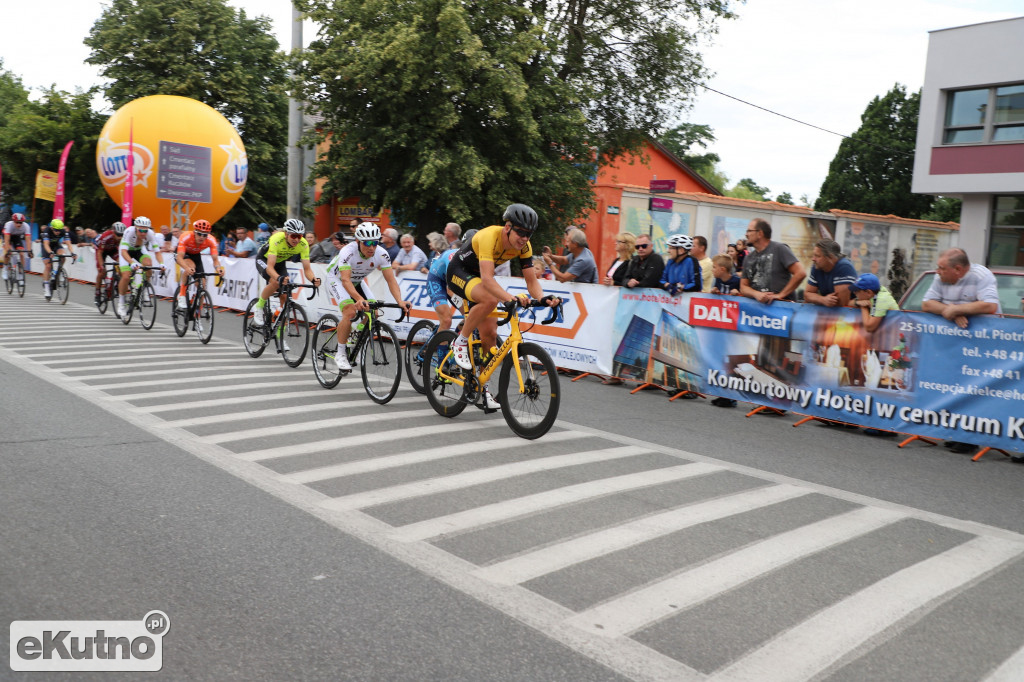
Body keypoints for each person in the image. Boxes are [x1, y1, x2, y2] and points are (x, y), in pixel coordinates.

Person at [445, 203, 561, 408]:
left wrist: (543, 299)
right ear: (508, 227)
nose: (525, 238)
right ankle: (460, 341)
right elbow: (489, 280)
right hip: (459, 271)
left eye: (529, 234)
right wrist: (509, 298)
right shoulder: (490, 236)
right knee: (490, 299)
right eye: (521, 232)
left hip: (479, 278)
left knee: (489, 336)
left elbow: (531, 281)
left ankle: (484, 389)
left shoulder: (525, 247)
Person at [920, 248, 1001, 455]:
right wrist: (952, 311)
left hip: (983, 345)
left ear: (957, 269)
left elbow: (990, 306)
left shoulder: (981, 276)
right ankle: (955, 431)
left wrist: (956, 309)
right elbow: (927, 303)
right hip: (955, 342)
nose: (937, 271)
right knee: (954, 384)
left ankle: (970, 438)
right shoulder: (942, 277)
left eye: (942, 268)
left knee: (974, 388)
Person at [325, 222, 412, 371]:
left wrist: (400, 301)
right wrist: (359, 299)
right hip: (337, 279)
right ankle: (340, 353)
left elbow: (391, 280)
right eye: (368, 243)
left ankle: (356, 335)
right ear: (358, 241)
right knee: (350, 311)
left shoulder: (382, 254)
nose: (372, 247)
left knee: (374, 312)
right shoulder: (348, 251)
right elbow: (345, 280)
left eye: (375, 243)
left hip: (357, 281)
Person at [252, 219, 321, 327]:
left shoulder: (303, 244)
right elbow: (270, 268)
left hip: (280, 263)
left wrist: (314, 279)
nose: (297, 239)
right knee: (275, 282)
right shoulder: (276, 239)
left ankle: (281, 339)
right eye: (294, 236)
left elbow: (307, 269)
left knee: (285, 300)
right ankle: (259, 306)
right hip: (264, 260)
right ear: (286, 234)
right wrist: (278, 278)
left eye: (300, 236)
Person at [739, 219, 806, 304]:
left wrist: (780, 295)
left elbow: (800, 273)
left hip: (783, 310)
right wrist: (756, 294)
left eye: (749, 231)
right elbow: (743, 286)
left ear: (760, 233)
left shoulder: (780, 249)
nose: (746, 234)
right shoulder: (748, 258)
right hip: (759, 313)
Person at [425, 229, 476, 334]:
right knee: (447, 320)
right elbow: (450, 289)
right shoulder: (453, 256)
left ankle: (456, 338)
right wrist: (465, 311)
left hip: (454, 282)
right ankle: (441, 349)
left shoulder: (479, 259)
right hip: (437, 280)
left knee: (473, 318)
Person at [117, 216, 166, 317]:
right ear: (136, 228)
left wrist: (162, 263)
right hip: (126, 251)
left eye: (145, 230)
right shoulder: (129, 231)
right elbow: (123, 252)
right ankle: (121, 303)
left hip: (139, 249)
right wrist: (131, 262)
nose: (143, 233)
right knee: (126, 276)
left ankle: (144, 289)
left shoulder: (151, 234)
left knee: (148, 265)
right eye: (141, 230)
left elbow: (157, 252)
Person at [175, 219, 226, 307]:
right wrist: (186, 268)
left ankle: (197, 315)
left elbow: (215, 259)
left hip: (195, 255)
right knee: (191, 267)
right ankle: (182, 295)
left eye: (204, 235)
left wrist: (218, 269)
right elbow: (179, 258)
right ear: (194, 232)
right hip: (183, 254)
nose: (201, 237)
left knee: (202, 284)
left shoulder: (211, 240)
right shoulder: (186, 236)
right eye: (199, 234)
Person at [804, 238, 857, 308]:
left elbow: (840, 303)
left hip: (848, 315)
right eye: (814, 255)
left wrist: (817, 298)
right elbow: (807, 295)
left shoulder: (844, 267)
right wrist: (823, 299)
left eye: (817, 256)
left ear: (830, 257)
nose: (813, 259)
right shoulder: (817, 267)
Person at [38, 219, 74, 300]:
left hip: (56, 245)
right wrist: (50, 252)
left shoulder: (63, 231)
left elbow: (69, 243)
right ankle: (46, 286)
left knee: (63, 256)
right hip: (46, 247)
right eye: (56, 230)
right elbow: (46, 244)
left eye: (59, 230)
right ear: (52, 228)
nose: (58, 232)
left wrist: (72, 253)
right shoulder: (47, 231)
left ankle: (58, 272)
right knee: (48, 266)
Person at [92, 221, 124, 304]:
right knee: (102, 272)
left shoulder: (122, 238)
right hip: (101, 251)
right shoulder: (106, 236)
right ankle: (97, 293)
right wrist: (102, 266)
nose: (120, 237)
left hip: (112, 249)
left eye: (121, 235)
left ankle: (117, 283)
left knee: (120, 265)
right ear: (113, 232)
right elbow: (99, 252)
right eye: (118, 235)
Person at [2, 213, 32, 281]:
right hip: (7, 236)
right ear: (13, 221)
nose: (19, 224)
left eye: (21, 222)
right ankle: (5, 268)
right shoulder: (9, 225)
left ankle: (21, 273)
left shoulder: (26, 226)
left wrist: (29, 251)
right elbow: (7, 240)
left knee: (21, 253)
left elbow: (28, 240)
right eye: (17, 222)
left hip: (16, 237)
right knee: (8, 253)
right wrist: (7, 250)